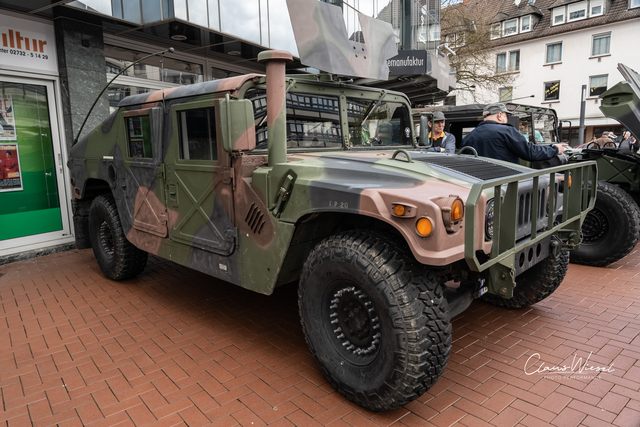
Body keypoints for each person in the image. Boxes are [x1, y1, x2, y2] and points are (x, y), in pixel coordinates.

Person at [462, 102, 567, 164]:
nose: (507, 118)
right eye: (506, 115)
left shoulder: (468, 137)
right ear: (500, 115)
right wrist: (555, 149)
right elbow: (530, 152)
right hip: (504, 184)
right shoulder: (507, 131)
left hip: (479, 188)